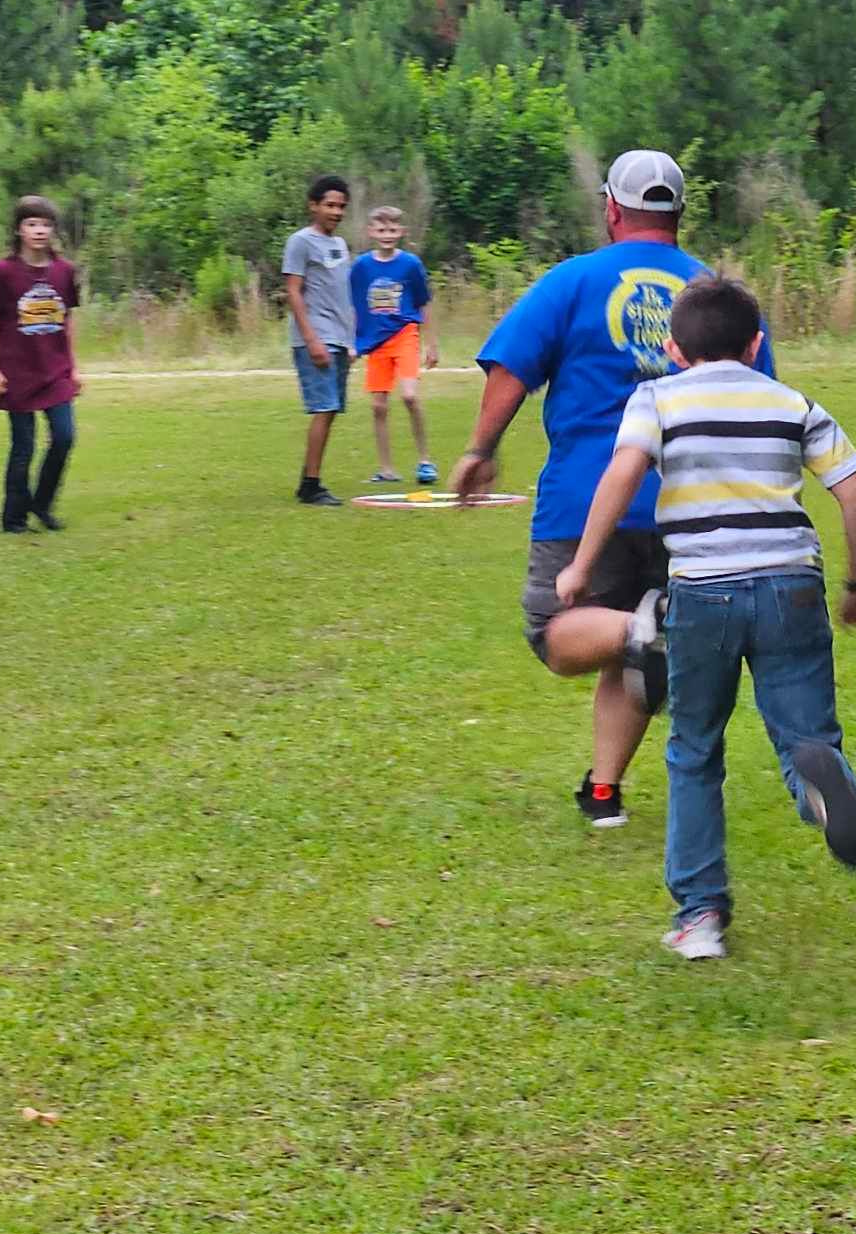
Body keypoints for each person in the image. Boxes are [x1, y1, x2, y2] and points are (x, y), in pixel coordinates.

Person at [555, 274, 856, 961]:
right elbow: (855, 494)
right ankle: (825, 796)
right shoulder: (793, 402)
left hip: (704, 592)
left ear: (673, 349)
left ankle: (699, 916)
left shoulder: (657, 398)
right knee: (807, 738)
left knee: (695, 750)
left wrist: (582, 566)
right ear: (756, 344)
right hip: (792, 586)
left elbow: (622, 472)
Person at [450, 150, 774, 829]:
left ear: (611, 209)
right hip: (693, 506)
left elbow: (511, 365)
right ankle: (603, 791)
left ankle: (642, 628)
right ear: (679, 214)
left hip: (587, 498)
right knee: (633, 647)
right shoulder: (715, 295)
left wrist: (481, 449)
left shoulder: (572, 281)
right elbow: (759, 393)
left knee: (561, 631)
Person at [0, 195, 82, 534]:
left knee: (64, 437)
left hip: (55, 371)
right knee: (23, 446)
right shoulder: (3, 273)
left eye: (46, 225)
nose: (39, 231)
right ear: (19, 230)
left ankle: (42, 503)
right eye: (32, 224)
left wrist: (74, 367)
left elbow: (68, 320)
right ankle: (14, 518)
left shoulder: (64, 271)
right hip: (17, 372)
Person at [349, 205, 440, 485]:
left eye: (392, 230)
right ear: (371, 232)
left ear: (401, 232)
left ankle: (425, 461)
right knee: (378, 406)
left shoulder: (411, 264)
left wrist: (432, 344)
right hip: (376, 342)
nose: (386, 235)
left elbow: (424, 303)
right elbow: (355, 306)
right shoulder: (362, 266)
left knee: (410, 396)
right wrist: (353, 343)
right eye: (381, 229)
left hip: (405, 334)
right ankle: (386, 468)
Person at [283, 175, 355, 507]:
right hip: (315, 337)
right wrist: (311, 339)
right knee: (324, 408)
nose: (336, 211)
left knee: (332, 409)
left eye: (341, 206)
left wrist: (350, 340)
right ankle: (310, 485)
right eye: (330, 205)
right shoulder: (300, 242)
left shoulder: (339, 245)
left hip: (338, 338)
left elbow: (343, 294)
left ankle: (308, 480)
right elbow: (294, 292)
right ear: (313, 205)